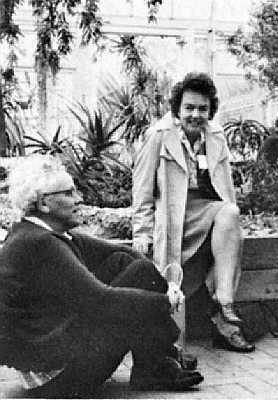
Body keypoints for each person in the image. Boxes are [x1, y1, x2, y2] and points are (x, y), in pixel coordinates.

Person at [0, 155, 203, 398]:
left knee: (128, 264)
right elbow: (103, 300)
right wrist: (165, 302)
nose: (79, 199)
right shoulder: (40, 243)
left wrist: (163, 287)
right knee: (136, 276)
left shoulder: (34, 232)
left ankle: (159, 359)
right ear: (44, 203)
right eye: (68, 193)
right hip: (58, 377)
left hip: (50, 360)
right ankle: (158, 361)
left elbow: (123, 252)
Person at [132, 72, 254, 353]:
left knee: (231, 213)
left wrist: (233, 229)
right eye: (189, 108)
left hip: (205, 211)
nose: (196, 115)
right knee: (166, 281)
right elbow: (142, 188)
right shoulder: (158, 136)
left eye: (202, 108)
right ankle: (170, 338)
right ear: (177, 109)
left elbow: (226, 187)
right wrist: (142, 232)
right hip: (172, 216)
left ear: (210, 110)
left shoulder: (216, 136)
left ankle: (224, 304)